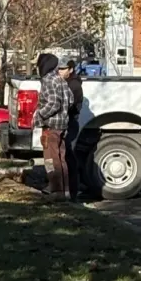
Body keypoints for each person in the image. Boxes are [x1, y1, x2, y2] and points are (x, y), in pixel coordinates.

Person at [34, 53, 74, 199]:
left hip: (51, 126)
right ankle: (66, 190)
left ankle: (56, 191)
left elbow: (53, 103)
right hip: (62, 125)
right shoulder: (61, 80)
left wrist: (39, 115)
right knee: (61, 159)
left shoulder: (48, 80)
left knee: (51, 160)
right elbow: (70, 100)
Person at [65, 59, 84, 201]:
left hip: (70, 123)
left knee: (69, 157)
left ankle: (72, 192)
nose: (59, 71)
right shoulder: (67, 83)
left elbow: (68, 106)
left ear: (70, 69)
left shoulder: (74, 85)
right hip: (66, 123)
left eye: (62, 68)